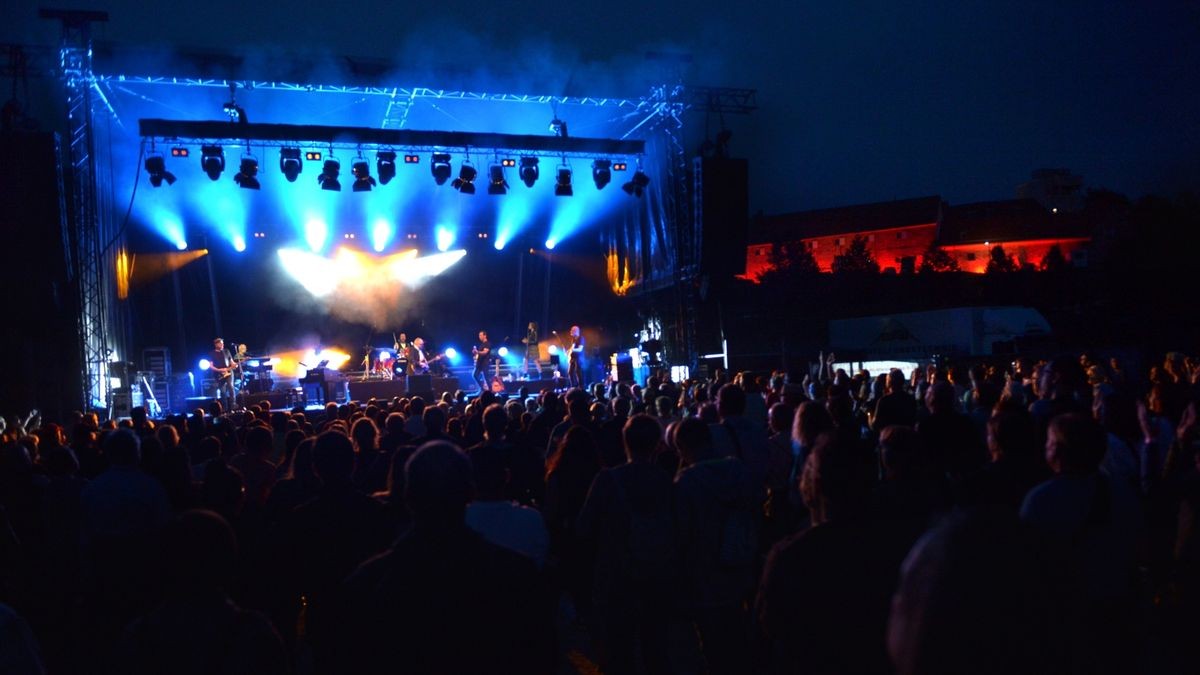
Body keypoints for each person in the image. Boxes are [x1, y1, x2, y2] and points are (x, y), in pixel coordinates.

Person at [329, 441, 554, 674]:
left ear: (408, 496)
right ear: (470, 492)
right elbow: (540, 656)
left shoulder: (366, 584)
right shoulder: (516, 575)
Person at [209, 338, 237, 411]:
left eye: (223, 343)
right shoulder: (212, 353)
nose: (222, 345)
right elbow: (211, 366)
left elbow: (232, 362)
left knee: (231, 386)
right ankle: (224, 408)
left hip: (229, 372)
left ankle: (233, 404)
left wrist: (234, 365)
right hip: (219, 374)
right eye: (220, 343)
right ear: (216, 344)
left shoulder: (226, 351)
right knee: (223, 391)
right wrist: (219, 370)